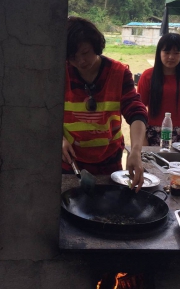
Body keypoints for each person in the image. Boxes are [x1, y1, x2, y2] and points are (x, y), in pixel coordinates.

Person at [62, 16, 148, 191]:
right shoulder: (60, 72)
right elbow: (45, 112)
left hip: (109, 162)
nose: (81, 61)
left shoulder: (119, 73)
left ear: (95, 45)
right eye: (73, 57)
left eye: (85, 52)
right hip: (70, 163)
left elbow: (136, 112)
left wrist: (136, 151)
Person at [137, 33, 180, 146]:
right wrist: (142, 138)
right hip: (154, 133)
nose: (171, 57)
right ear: (159, 53)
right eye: (167, 52)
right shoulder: (148, 76)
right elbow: (139, 110)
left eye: (176, 53)